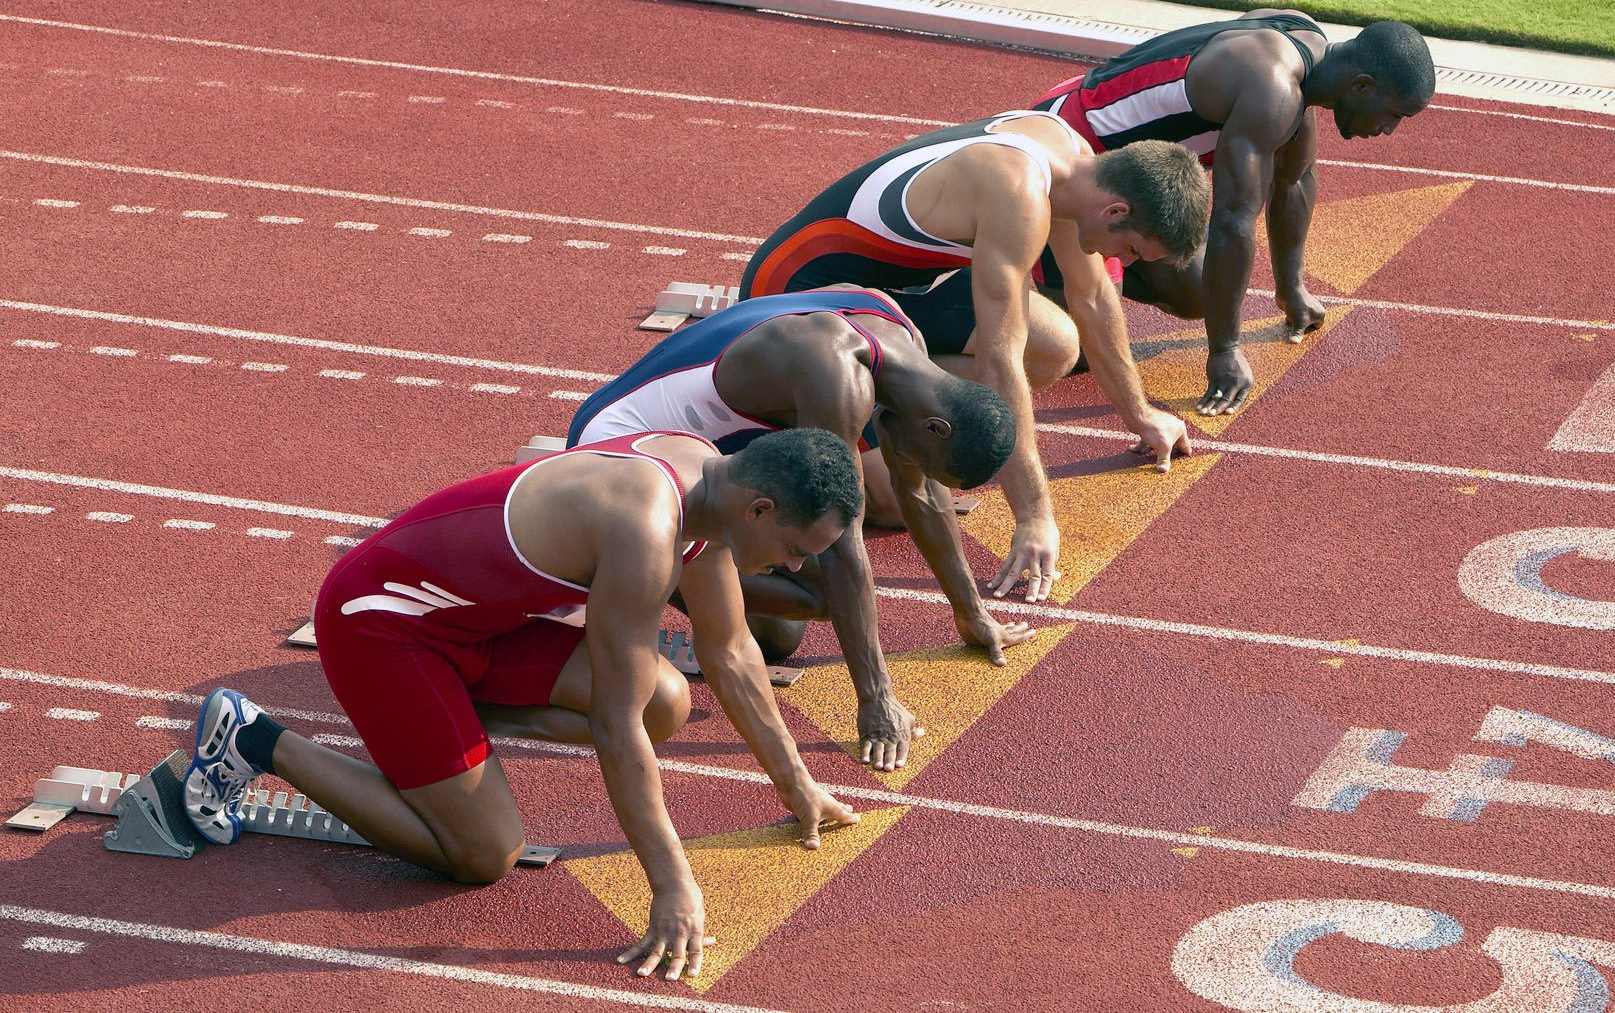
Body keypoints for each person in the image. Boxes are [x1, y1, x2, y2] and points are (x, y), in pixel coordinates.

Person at [182, 429, 864, 984]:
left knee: (667, 699)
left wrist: (798, 786)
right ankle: (255, 739)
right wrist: (672, 886)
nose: (797, 569)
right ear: (760, 510)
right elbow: (614, 726)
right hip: (381, 624)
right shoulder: (646, 530)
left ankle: (434, 740)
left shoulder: (709, 483)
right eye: (798, 551)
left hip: (474, 628)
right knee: (484, 853)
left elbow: (734, 651)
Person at [740, 110, 1209, 603]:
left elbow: (1092, 297)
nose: (1126, 264)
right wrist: (1033, 517)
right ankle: (851, 395)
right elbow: (997, 361)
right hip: (797, 290)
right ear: (1115, 212)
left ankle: (883, 388)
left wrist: (1140, 414)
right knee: (888, 500)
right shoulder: (1019, 194)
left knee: (1055, 347)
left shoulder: (1076, 162)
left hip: (890, 287)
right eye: (1132, 250)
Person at [566, 285, 1032, 771]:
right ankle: (641, 576)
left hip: (697, 449)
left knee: (783, 633)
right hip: (619, 449)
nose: (909, 462)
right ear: (937, 428)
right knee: (826, 594)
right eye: (922, 456)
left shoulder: (903, 344)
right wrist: (876, 699)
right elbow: (840, 543)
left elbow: (918, 493)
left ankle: (680, 576)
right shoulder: (835, 378)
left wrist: (972, 613)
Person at [1033, 14, 1435, 415]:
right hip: (1070, 153)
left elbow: (1294, 178)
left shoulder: (1305, 48)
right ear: (1362, 86)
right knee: (1077, 347)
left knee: (1197, 288)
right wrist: (1224, 350)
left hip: (1115, 169)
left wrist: (1291, 289)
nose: (1388, 130)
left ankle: (1079, 267)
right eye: (1394, 115)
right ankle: (1008, 262)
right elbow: (1232, 219)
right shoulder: (1272, 88)